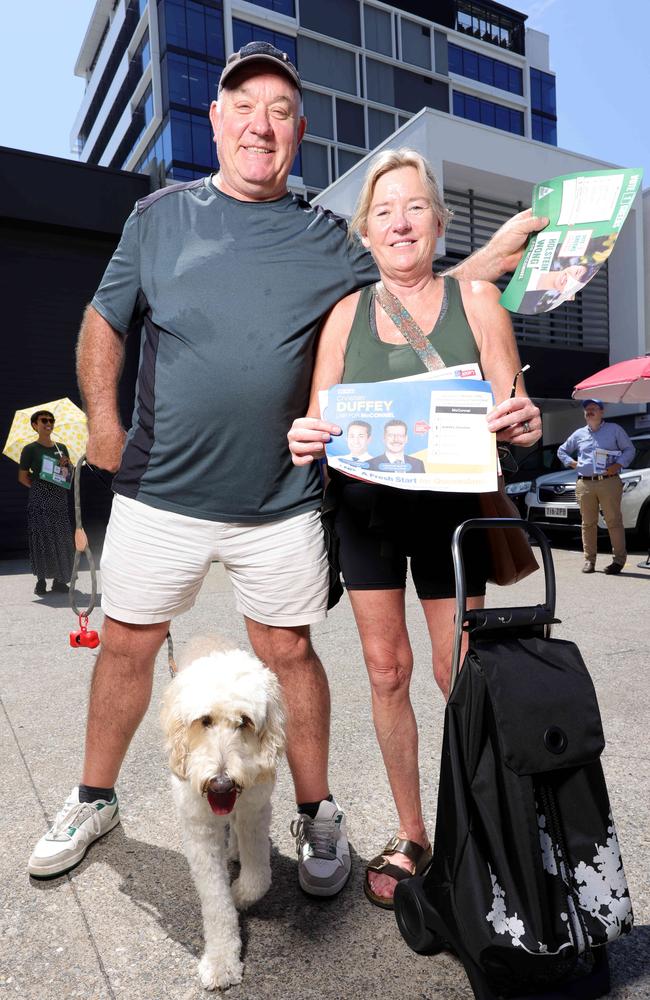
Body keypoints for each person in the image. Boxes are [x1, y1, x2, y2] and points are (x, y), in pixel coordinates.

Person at [28, 42, 547, 890]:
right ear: (217, 121)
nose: (259, 125)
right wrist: (104, 427)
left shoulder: (328, 239)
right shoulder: (160, 216)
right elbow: (104, 319)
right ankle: (94, 797)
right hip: (163, 488)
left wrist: (500, 260)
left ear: (299, 133)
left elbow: (414, 283)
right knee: (125, 644)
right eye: (244, 107)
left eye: (278, 112)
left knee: (291, 655)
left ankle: (318, 816)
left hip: (282, 499)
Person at [288, 148, 541, 908]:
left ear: (438, 222)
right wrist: (306, 434)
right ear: (366, 231)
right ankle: (414, 832)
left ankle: (484, 824)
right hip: (367, 512)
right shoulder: (346, 314)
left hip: (452, 516)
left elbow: (515, 408)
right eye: (384, 210)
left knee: (458, 671)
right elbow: (318, 414)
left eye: (415, 206)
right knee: (387, 671)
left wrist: (524, 424)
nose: (400, 221)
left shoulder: (479, 304)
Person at [557, 399, 635, 574]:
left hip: (609, 481)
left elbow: (629, 449)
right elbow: (561, 450)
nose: (590, 411)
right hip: (585, 483)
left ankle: (618, 561)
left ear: (602, 412)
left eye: (594, 408)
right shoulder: (578, 434)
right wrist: (571, 463)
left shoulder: (614, 430)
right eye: (587, 409)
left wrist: (618, 465)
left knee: (614, 521)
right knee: (588, 523)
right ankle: (589, 561)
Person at [18, 410, 74, 596]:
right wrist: (39, 487)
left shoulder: (61, 448)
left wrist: (66, 466)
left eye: (51, 420)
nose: (48, 423)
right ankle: (40, 580)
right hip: (40, 500)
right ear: (35, 425)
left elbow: (66, 477)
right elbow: (23, 477)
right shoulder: (30, 449)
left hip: (59, 499)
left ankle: (59, 580)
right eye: (44, 420)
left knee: (60, 537)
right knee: (42, 537)